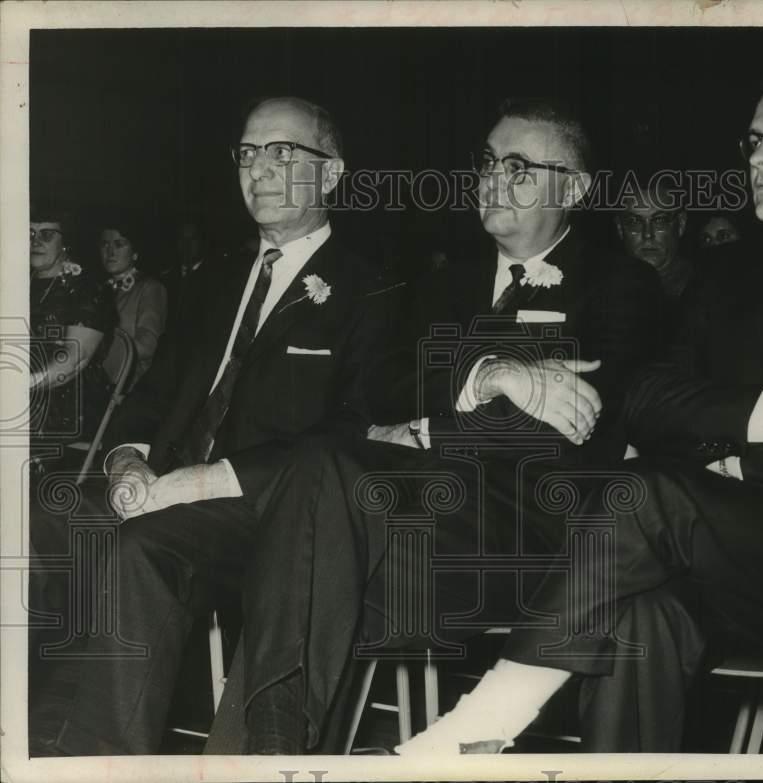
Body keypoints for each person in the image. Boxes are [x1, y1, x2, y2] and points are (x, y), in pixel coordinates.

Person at [402, 68, 763, 754]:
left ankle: (483, 723)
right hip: (722, 567)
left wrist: (738, 460)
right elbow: (643, 400)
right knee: (639, 615)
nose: (757, 154)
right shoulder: (732, 280)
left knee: (643, 492)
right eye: (754, 139)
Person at [206, 97, 669, 755]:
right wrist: (491, 372)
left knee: (303, 557)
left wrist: (424, 432)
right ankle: (274, 750)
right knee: (310, 507)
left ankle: (267, 756)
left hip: (526, 540)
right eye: (486, 162)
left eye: (518, 167)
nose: (492, 179)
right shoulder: (443, 284)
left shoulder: (622, 285)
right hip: (416, 527)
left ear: (574, 187)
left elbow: (572, 427)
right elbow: (380, 386)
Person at [29, 95, 400, 756]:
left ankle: (99, 753)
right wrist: (127, 462)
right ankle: (64, 744)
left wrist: (193, 484)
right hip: (167, 495)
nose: (258, 169)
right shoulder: (213, 282)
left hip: (275, 518)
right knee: (43, 512)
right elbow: (152, 395)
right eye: (248, 153)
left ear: (334, 173)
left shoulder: (371, 293)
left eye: (282, 152)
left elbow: (350, 436)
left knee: (139, 547)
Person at [29, 206, 116, 458]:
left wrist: (19, 384)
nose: (35, 241)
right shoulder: (17, 280)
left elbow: (75, 360)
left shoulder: (87, 288)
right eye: (29, 234)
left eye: (47, 234)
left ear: (65, 242)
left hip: (70, 395)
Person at [98, 220, 168, 388]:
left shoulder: (150, 288)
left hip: (129, 386)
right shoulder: (98, 289)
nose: (110, 251)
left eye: (119, 244)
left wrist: (95, 345)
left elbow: (147, 346)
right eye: (104, 244)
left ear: (135, 253)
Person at [614, 178, 693, 301]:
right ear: (620, 228)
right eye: (634, 221)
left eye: (659, 220)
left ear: (681, 224)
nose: (647, 234)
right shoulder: (607, 293)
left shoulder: (709, 289)